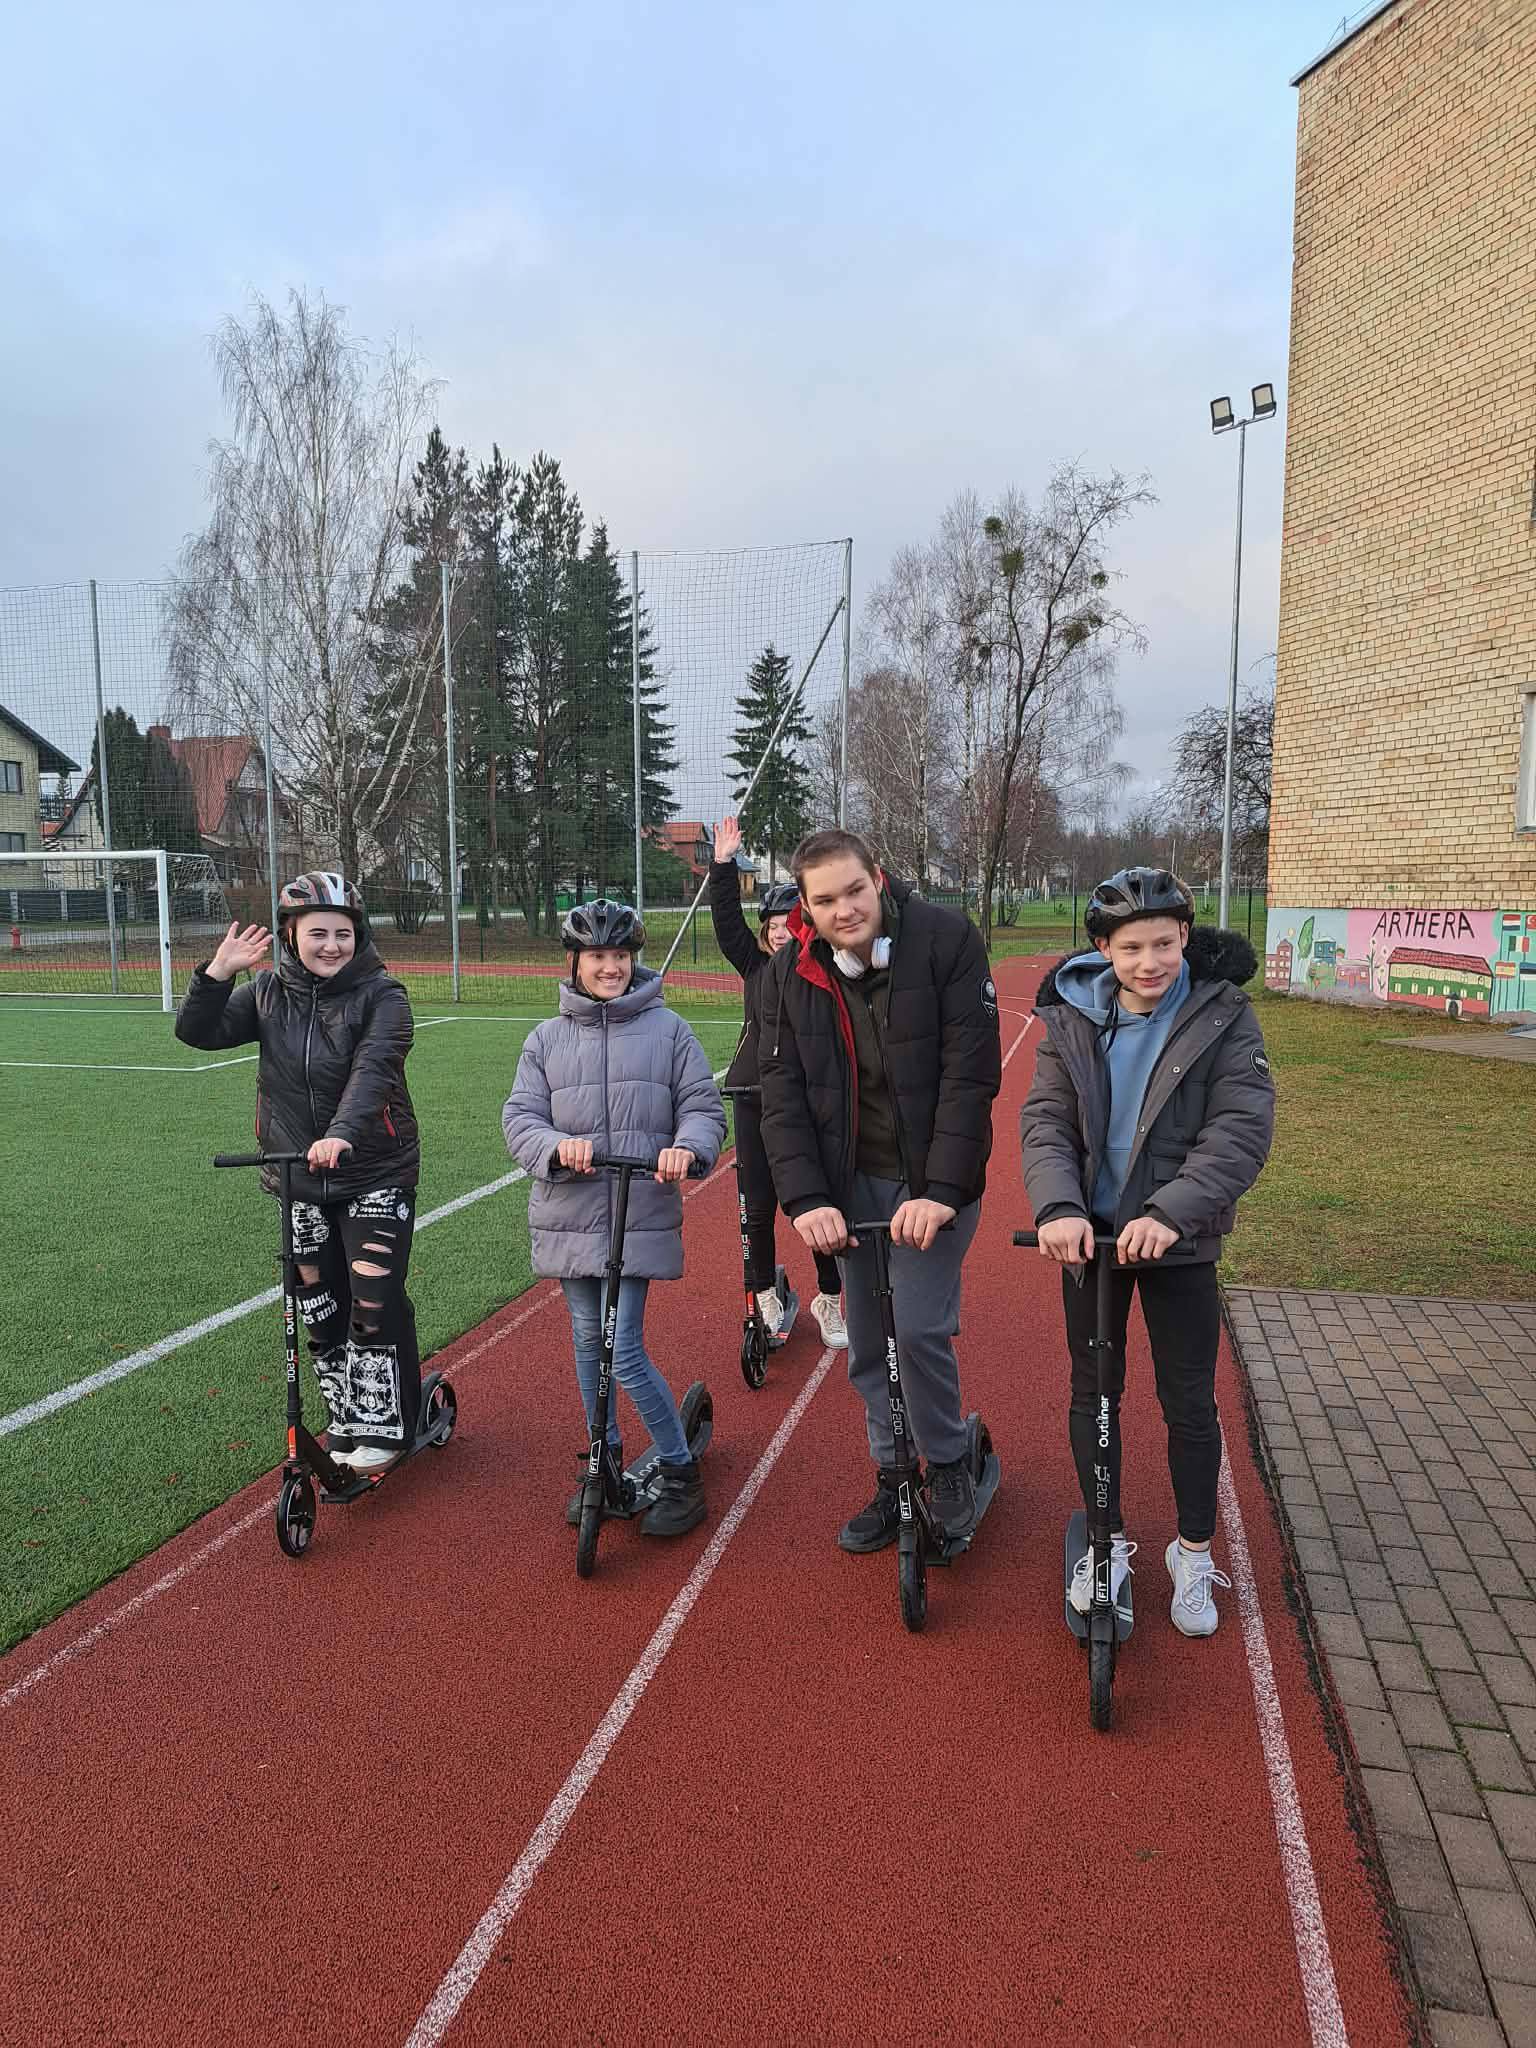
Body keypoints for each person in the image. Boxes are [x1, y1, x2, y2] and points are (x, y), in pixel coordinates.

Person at [1019, 865, 1275, 1638]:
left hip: (1178, 1242)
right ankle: (1106, 1544)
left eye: (1164, 943)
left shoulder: (1223, 1014)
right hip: (1092, 1241)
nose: (1150, 962)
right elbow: (1046, 1123)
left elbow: (1239, 1130)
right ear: (1104, 949)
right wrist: (1058, 1206)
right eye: (1131, 948)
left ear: (1185, 937)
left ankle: (1192, 1551)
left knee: (1188, 1400)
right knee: (1095, 1393)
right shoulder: (1072, 1016)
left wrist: (1171, 1212)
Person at [758, 827, 1001, 1552]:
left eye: (855, 890)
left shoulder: (946, 941)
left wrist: (942, 1191)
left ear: (879, 878)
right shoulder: (789, 972)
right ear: (805, 907)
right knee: (867, 1340)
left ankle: (948, 1461)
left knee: (918, 1327)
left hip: (933, 1181)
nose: (845, 910)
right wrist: (807, 1199)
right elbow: (782, 1094)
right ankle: (894, 1470)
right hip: (849, 1183)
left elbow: (970, 1078)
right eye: (826, 900)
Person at [175, 872, 423, 1473]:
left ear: (358, 936)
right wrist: (217, 974)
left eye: (343, 933)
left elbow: (374, 1071)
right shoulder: (266, 993)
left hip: (373, 1169)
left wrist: (341, 1134)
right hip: (296, 1175)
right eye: (318, 933)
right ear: (291, 935)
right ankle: (345, 1415)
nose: (332, 945)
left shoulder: (384, 996)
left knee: (372, 1299)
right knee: (318, 1304)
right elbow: (197, 1033)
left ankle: (386, 1423)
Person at [502, 899, 726, 1537]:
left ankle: (679, 1471)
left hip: (637, 1211)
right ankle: (604, 1459)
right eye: (597, 956)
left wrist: (687, 1148)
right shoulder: (546, 1040)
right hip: (571, 1212)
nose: (610, 967)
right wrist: (555, 1148)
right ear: (574, 962)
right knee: (585, 1340)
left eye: (620, 955)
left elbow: (702, 1108)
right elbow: (520, 1117)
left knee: (621, 1348)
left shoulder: (669, 1031)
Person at [708, 816, 846, 1350]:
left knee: (818, 1203)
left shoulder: (824, 970)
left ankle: (830, 1298)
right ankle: (763, 1293)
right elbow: (726, 923)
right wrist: (723, 865)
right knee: (758, 1207)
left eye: (789, 924)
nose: (779, 933)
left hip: (809, 1102)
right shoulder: (756, 967)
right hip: (754, 1097)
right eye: (771, 926)